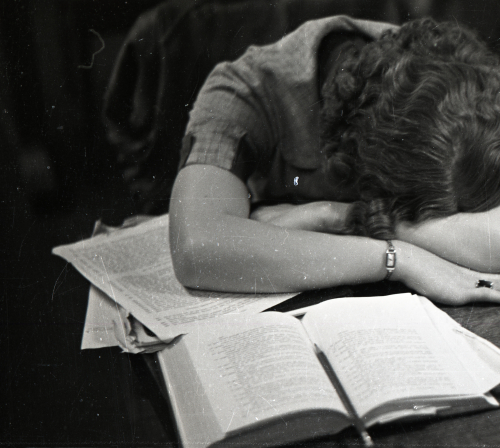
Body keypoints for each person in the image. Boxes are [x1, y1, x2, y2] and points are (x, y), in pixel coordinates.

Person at [169, 15, 500, 305]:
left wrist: (371, 221)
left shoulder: (469, 81)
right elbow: (199, 250)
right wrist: (394, 255)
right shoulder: (244, 90)